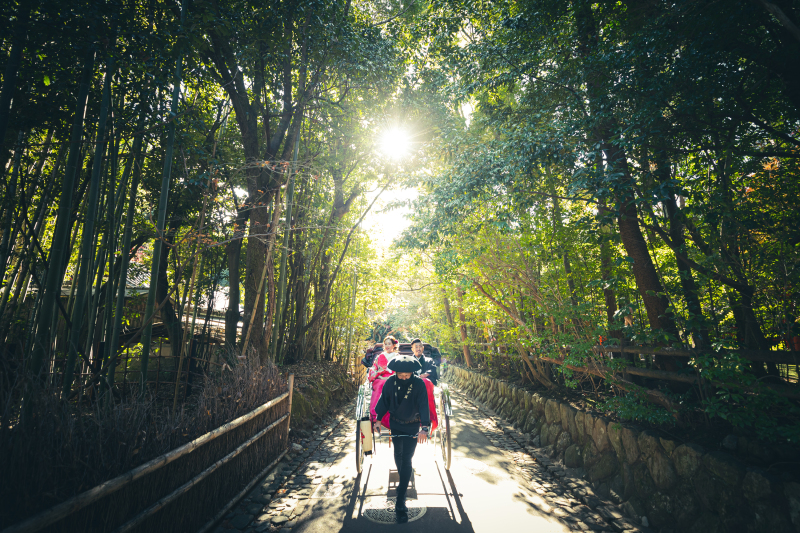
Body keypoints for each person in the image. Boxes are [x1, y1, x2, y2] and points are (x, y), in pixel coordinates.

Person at [374, 355, 430, 523]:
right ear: (396, 372)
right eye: (401, 375)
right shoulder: (390, 382)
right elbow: (384, 401)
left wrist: (424, 427)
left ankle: (400, 499)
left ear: (412, 373)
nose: (405, 377)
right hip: (396, 423)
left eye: (408, 375)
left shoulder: (418, 384)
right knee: (398, 454)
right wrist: (377, 419)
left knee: (407, 459)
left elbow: (423, 404)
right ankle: (404, 481)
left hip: (412, 424)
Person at [368, 336, 398, 426]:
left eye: (389, 344)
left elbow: (400, 370)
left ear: (393, 345)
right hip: (381, 377)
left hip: (395, 377)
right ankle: (376, 413)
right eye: (386, 344)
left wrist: (392, 376)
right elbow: (374, 368)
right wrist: (378, 375)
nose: (387, 346)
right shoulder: (380, 356)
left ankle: (395, 413)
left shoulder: (397, 356)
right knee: (381, 384)